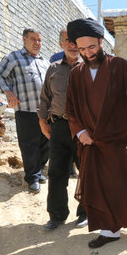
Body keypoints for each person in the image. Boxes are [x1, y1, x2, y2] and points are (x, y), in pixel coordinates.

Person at [65, 18, 127, 248]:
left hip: (120, 140)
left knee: (125, 183)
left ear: (101, 42)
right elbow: (70, 108)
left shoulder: (120, 65)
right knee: (99, 186)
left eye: (91, 47)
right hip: (92, 143)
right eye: (81, 49)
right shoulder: (76, 73)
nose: (87, 53)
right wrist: (80, 131)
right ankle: (109, 231)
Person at [37, 29, 87, 231]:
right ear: (61, 44)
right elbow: (45, 98)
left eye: (76, 41)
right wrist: (42, 121)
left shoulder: (90, 69)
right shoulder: (53, 69)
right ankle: (56, 216)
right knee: (57, 172)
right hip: (58, 127)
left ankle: (85, 212)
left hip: (84, 129)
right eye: (68, 41)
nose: (73, 45)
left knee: (87, 172)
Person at [0, 28, 50, 193]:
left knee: (46, 143)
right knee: (29, 144)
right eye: (33, 39)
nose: (37, 43)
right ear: (24, 39)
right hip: (25, 109)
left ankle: (38, 170)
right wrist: (8, 91)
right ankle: (32, 177)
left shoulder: (44, 61)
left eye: (39, 40)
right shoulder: (14, 57)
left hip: (45, 111)